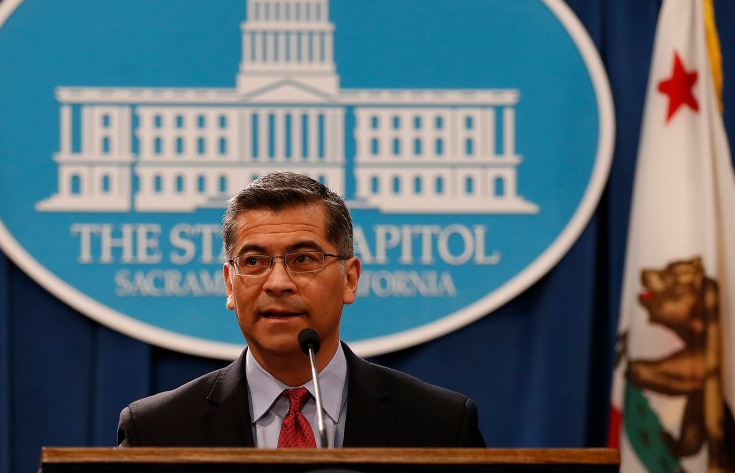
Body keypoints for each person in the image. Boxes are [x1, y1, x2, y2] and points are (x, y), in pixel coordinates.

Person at [118, 171, 485, 448]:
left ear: (350, 279)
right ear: (230, 284)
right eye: (254, 261)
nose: (278, 282)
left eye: (304, 258)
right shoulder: (156, 430)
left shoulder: (441, 424)